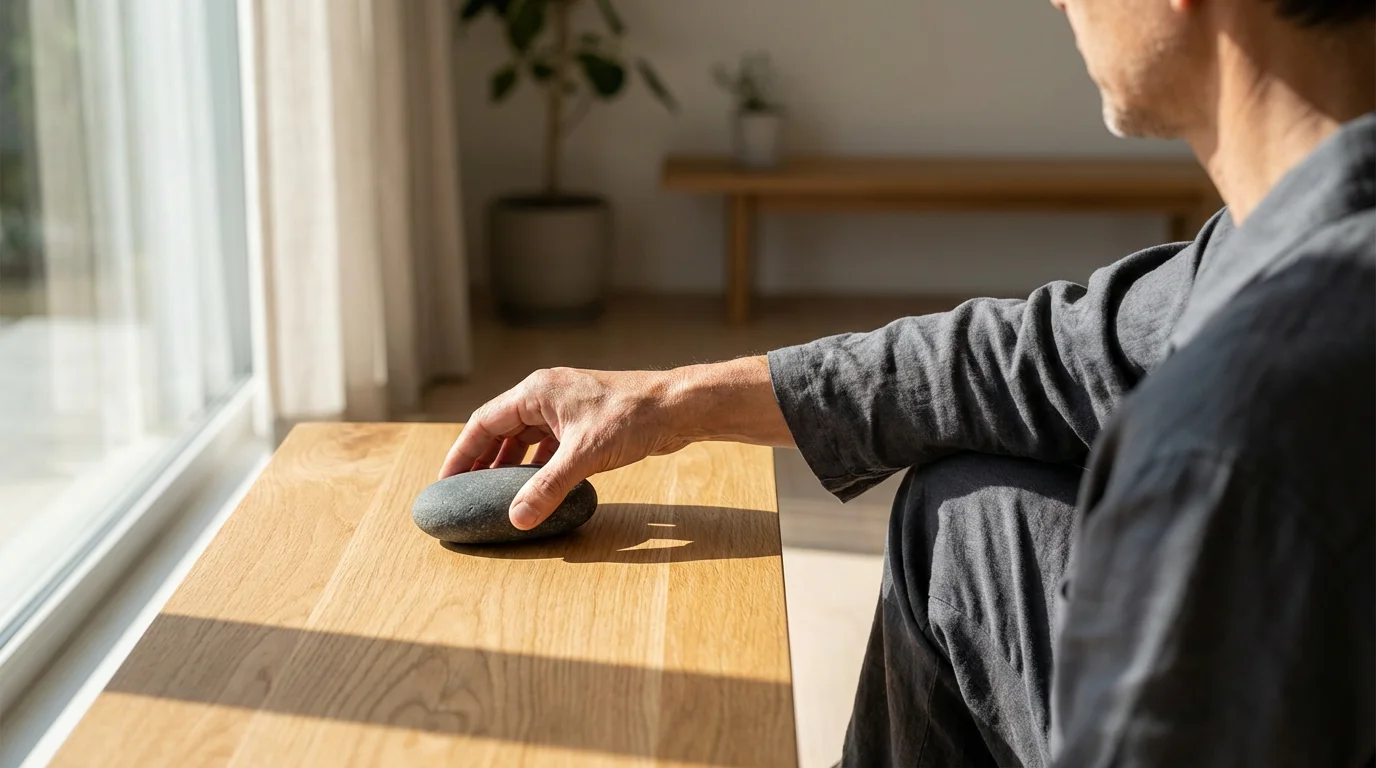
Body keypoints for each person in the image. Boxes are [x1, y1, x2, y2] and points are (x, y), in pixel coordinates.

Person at [439, 0, 1375, 762]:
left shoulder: (1229, 442)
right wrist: (665, 402)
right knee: (964, 513)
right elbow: (1043, 353)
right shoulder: (1273, 245)